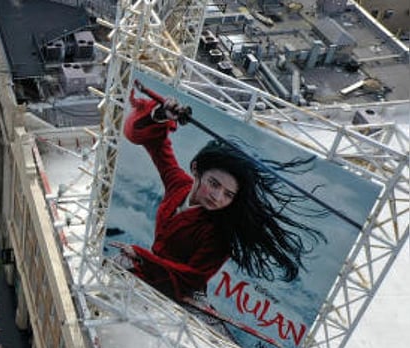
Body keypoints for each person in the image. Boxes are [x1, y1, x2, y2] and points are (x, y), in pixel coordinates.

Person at [109, 87, 326, 302]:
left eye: (228, 194)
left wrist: (142, 256)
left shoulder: (220, 233)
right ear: (196, 169)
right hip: (152, 273)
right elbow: (147, 139)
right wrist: (160, 115)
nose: (217, 197)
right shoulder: (179, 184)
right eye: (214, 184)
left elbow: (191, 277)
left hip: (180, 292)